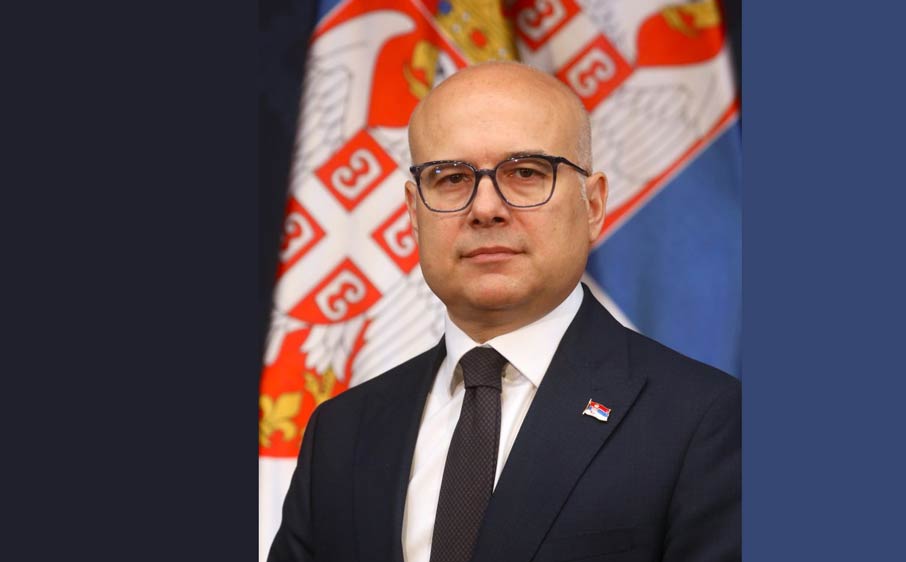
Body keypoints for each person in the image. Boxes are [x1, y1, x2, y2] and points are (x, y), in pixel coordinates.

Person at [268, 61, 740, 562]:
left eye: (526, 173)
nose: (485, 208)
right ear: (413, 212)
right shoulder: (341, 432)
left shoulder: (705, 420)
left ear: (593, 205)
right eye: (451, 178)